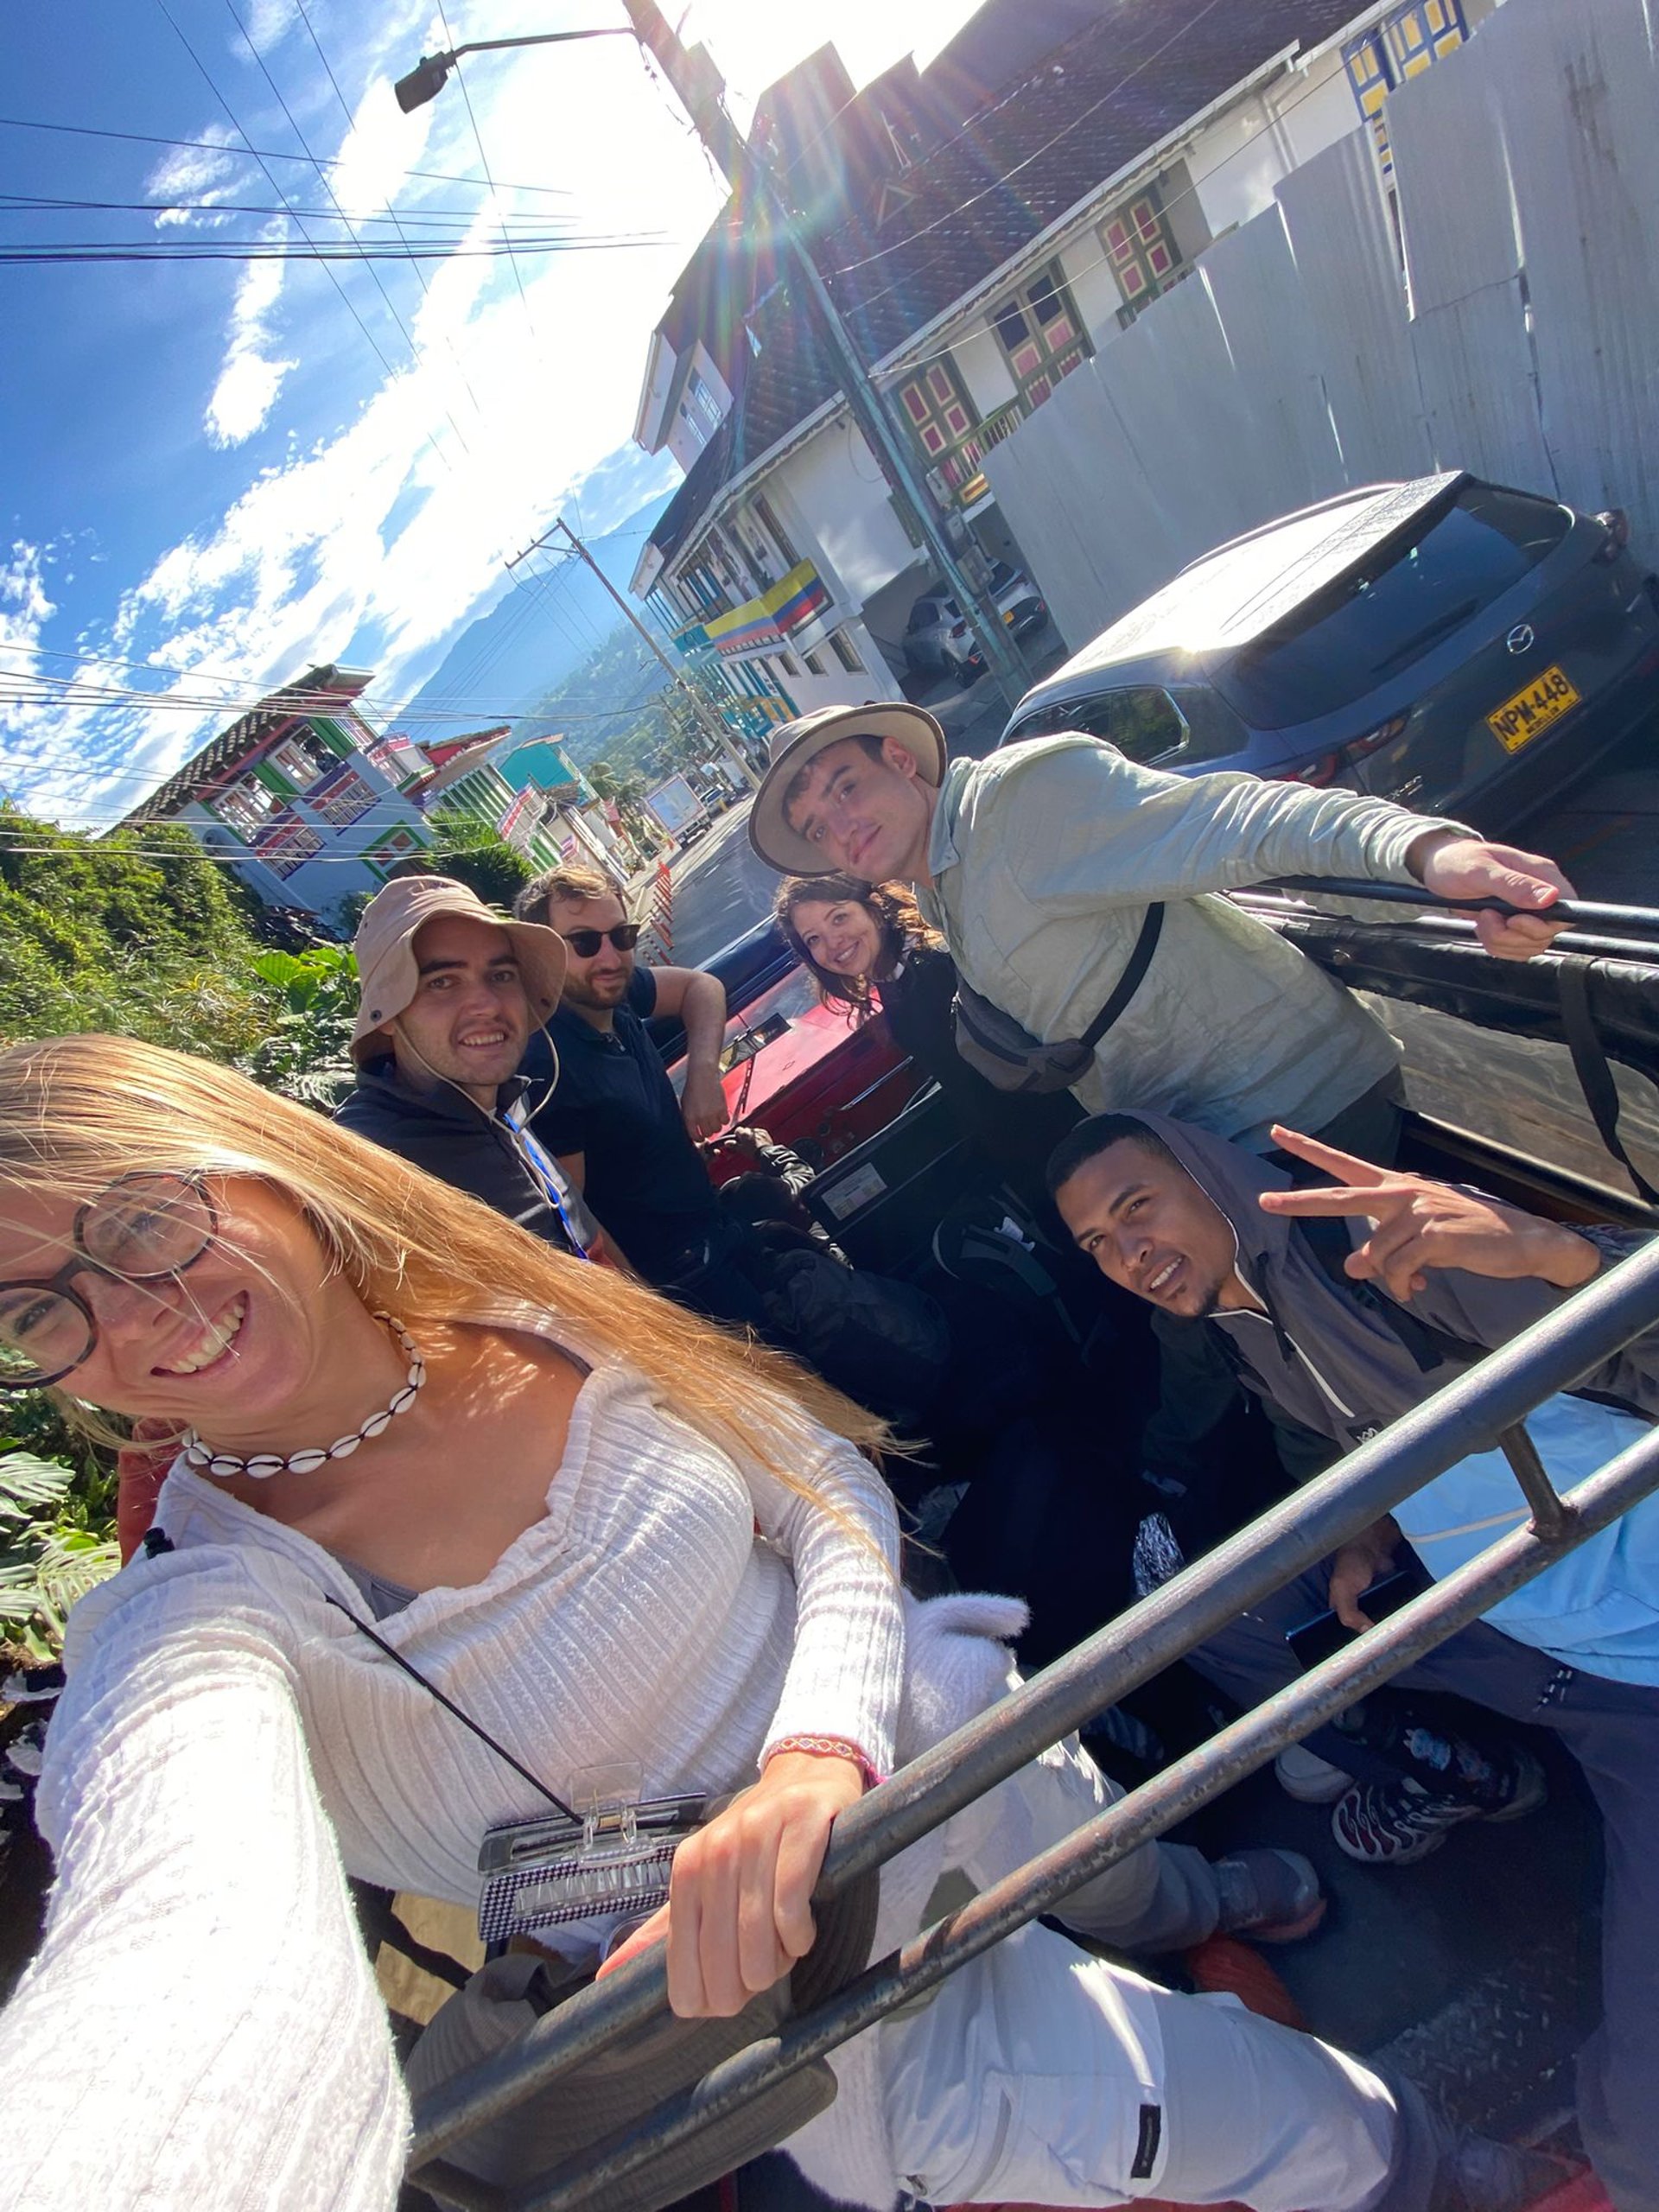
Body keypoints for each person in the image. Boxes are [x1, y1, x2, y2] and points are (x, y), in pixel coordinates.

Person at [0, 1032, 1554, 2212]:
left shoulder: (527, 1309)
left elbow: (812, 1473)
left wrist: (821, 1751)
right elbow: (172, 1900)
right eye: (30, 1311)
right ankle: (1424, 2165)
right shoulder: (202, 1604)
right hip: (783, 1971)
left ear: (250, 1156)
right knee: (1235, 2115)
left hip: (926, 1734)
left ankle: (1193, 1899)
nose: (128, 1315)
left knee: (1103, 1855)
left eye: (138, 1221)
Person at [1049, 1108, 1659, 2211]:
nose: (1126, 1255)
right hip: (1509, 1608)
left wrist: (1556, 1254)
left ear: (1209, 1177)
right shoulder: (1246, 1316)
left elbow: (1632, 1328)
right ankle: (1450, 1770)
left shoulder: (1389, 1260)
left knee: (1638, 2136)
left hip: (1627, 1657)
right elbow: (1346, 1430)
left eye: (1137, 1208)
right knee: (1217, 1607)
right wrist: (1371, 1528)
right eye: (1096, 1243)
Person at [747, 703, 1573, 1160]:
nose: (840, 827)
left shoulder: (1018, 804)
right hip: (1229, 1148)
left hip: (1303, 1109)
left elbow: (1234, 817)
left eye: (845, 786)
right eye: (817, 826)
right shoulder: (944, 887)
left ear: (901, 758)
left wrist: (1428, 851)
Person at [336, 873, 602, 1260]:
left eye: (501, 976)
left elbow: (583, 1233)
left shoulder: (504, 1100)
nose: (489, 1005)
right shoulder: (368, 1168)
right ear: (387, 1016)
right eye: (442, 982)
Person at [773, 870, 1081, 1201]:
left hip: (1057, 1135)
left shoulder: (934, 966)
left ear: (873, 908)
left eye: (839, 918)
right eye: (814, 939)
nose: (833, 943)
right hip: (1018, 1148)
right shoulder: (893, 979)